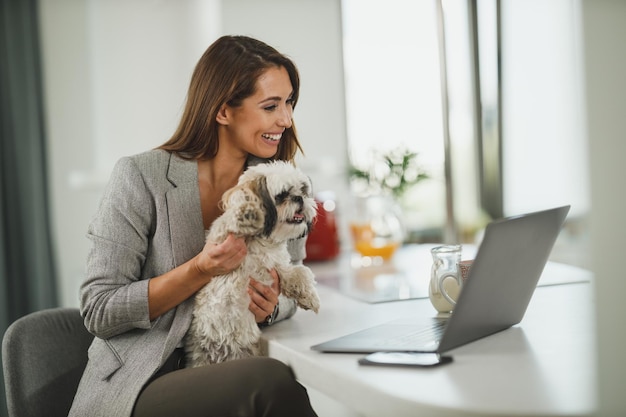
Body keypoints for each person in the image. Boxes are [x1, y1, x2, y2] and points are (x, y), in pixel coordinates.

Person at [68, 35, 319, 417]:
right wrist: (200, 269)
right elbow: (100, 310)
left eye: (288, 103)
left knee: (274, 382)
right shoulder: (141, 176)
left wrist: (271, 307)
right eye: (271, 106)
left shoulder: (274, 185)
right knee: (270, 384)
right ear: (223, 112)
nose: (286, 119)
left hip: (230, 363)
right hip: (145, 380)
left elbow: (291, 277)